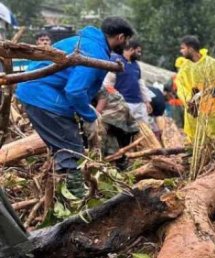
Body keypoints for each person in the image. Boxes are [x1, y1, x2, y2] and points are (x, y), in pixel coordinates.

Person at [16, 17, 134, 197]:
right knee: (70, 149)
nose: (126, 44)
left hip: (38, 92)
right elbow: (75, 90)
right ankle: (75, 199)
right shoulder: (95, 51)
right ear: (120, 37)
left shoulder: (86, 42)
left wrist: (86, 110)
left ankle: (62, 194)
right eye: (126, 40)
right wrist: (89, 116)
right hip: (42, 96)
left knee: (66, 148)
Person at [175, 35, 215, 142]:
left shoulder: (214, 65)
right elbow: (180, 86)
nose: (181, 51)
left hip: (213, 109)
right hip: (194, 111)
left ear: (191, 49)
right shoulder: (184, 68)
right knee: (195, 139)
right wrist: (189, 100)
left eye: (183, 48)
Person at [103, 39, 153, 124]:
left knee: (142, 130)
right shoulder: (116, 60)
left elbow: (140, 84)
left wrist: (147, 101)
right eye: (138, 51)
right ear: (131, 50)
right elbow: (107, 84)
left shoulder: (136, 65)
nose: (139, 54)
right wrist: (117, 100)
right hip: (122, 104)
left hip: (138, 104)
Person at [94, 86, 139, 166]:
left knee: (103, 135)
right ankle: (118, 161)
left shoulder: (91, 85)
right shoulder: (101, 84)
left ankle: (104, 161)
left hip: (113, 114)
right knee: (113, 137)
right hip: (124, 114)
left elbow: (97, 112)